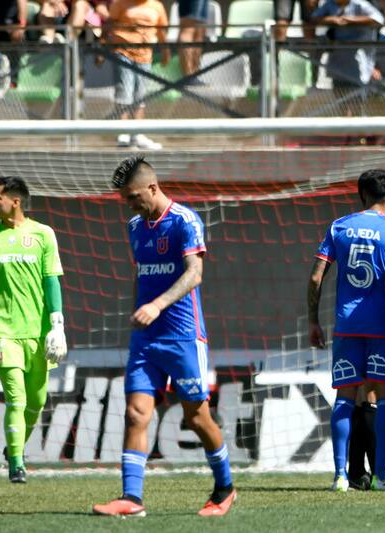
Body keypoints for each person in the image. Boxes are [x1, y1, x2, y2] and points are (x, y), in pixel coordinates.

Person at [93, 156, 235, 517]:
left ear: (153, 188)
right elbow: (142, 275)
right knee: (135, 413)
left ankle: (225, 487)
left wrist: (156, 305)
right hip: (145, 339)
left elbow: (195, 274)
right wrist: (140, 310)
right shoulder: (135, 226)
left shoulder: (185, 221)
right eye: (126, 198)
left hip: (183, 337)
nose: (130, 203)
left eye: (134, 196)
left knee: (197, 417)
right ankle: (132, 498)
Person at [308, 169, 385, 492]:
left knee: (344, 398)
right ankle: (381, 476)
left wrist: (313, 320)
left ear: (361, 194)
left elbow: (315, 277)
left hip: (347, 327)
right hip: (384, 328)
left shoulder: (339, 227)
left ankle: (340, 476)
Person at [0, 176, 68, 484]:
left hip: (38, 332)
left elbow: (52, 281)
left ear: (15, 201)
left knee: (36, 402)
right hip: (3, 331)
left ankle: (14, 449)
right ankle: (17, 465)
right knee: (16, 399)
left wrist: (57, 325)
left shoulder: (43, 234)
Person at [105, 0, 170, 150]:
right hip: (123, 51)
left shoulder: (157, 6)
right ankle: (123, 132)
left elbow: (161, 30)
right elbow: (109, 25)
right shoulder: (119, 3)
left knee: (140, 94)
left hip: (145, 54)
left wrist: (165, 50)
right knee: (125, 90)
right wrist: (105, 43)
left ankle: (137, 134)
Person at [311, 0, 384, 116]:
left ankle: (357, 132)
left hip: (359, 65)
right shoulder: (329, 4)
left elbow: (378, 19)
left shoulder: (360, 4)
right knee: (341, 103)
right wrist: (331, 20)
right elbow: (314, 18)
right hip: (338, 64)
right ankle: (346, 131)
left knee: (357, 103)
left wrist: (350, 20)